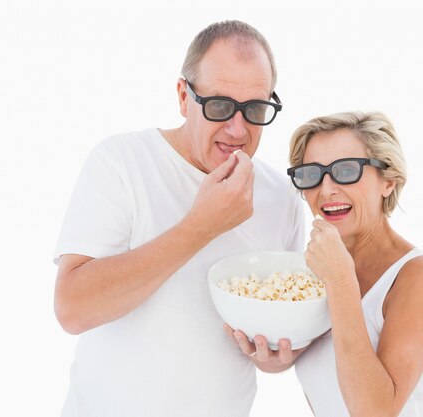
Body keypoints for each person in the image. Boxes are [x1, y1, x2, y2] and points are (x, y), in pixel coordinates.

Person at [52, 20, 305, 417]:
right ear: (184, 97)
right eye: (220, 105)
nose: (238, 129)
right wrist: (200, 226)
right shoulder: (121, 162)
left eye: (255, 108)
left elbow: (278, 332)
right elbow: (72, 309)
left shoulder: (281, 197)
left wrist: (275, 359)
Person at [289, 111, 423, 417]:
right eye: (311, 173)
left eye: (346, 170)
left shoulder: (422, 276)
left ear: (388, 181)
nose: (326, 190)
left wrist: (340, 281)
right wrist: (273, 358)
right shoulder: (316, 276)